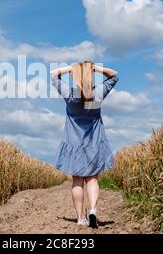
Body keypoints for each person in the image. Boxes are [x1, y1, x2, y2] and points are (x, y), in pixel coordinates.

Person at [50, 61, 119, 228]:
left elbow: (53, 74)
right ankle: (93, 210)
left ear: (76, 78)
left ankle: (81, 218)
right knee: (93, 178)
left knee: (78, 181)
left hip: (74, 144)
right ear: (91, 77)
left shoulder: (71, 96)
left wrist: (71, 69)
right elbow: (115, 75)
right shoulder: (96, 95)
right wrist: (96, 68)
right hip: (94, 143)